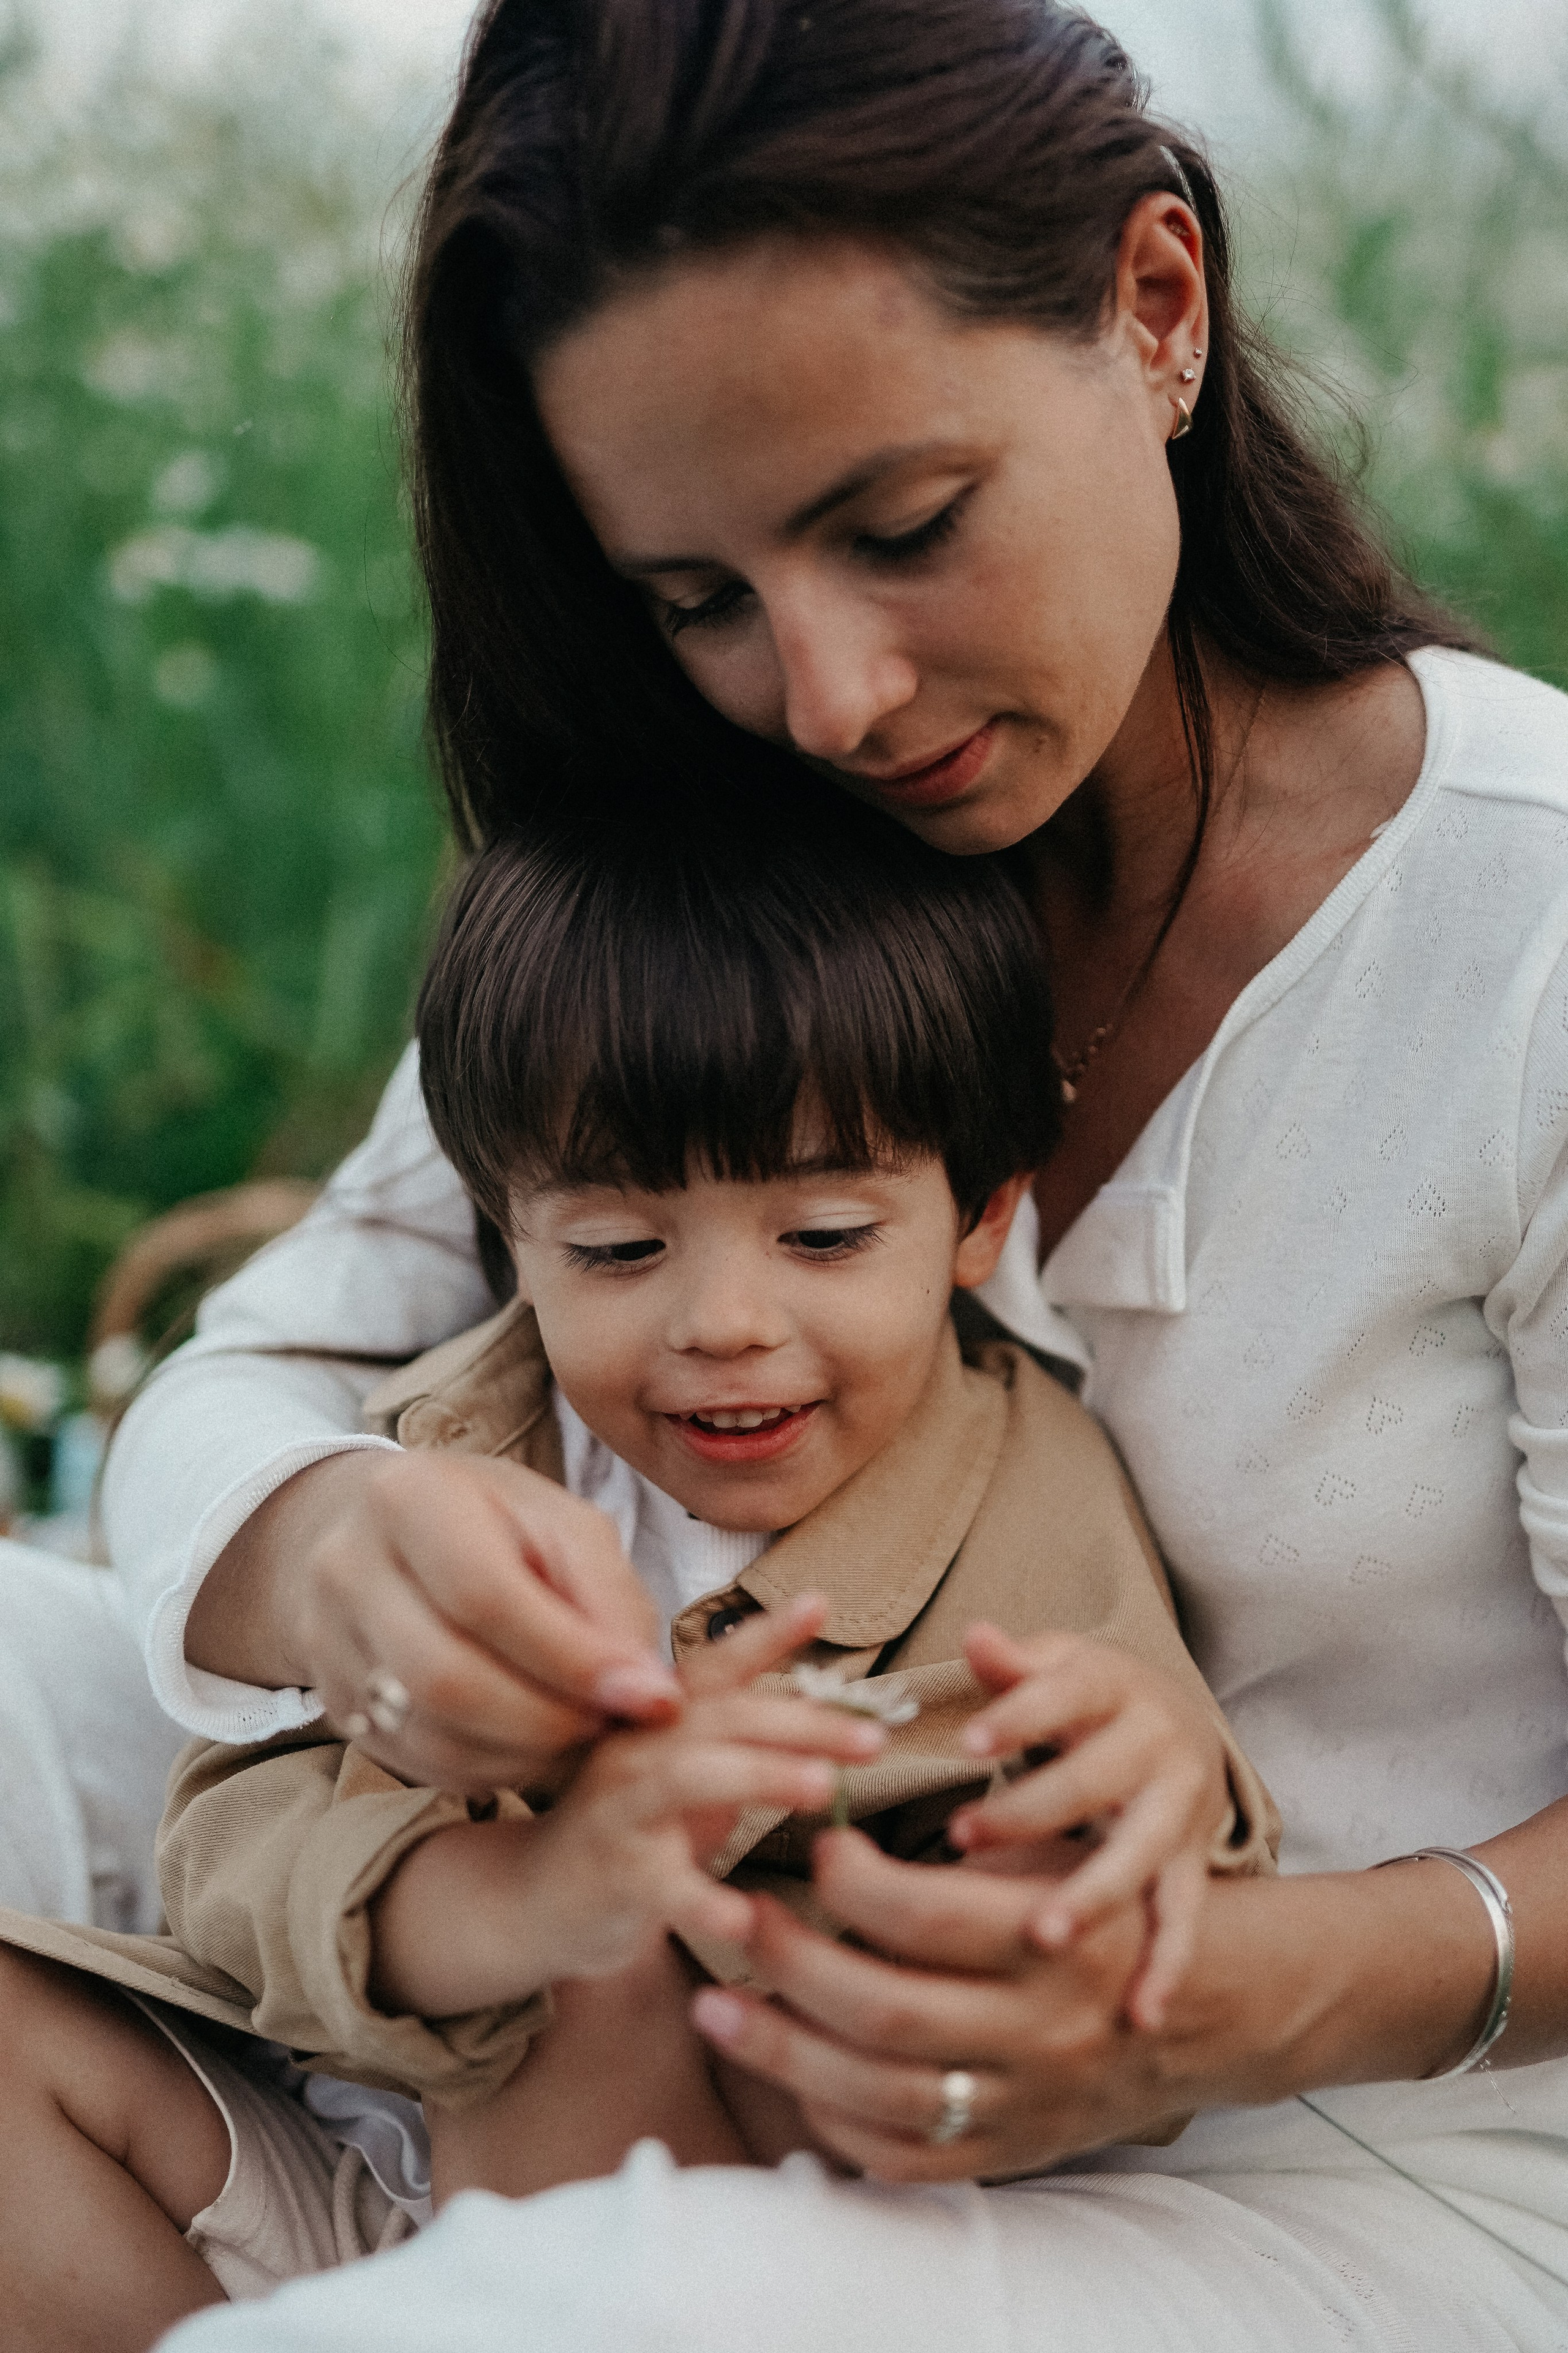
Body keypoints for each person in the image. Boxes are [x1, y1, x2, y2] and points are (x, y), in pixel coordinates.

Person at [76, 0, 1568, 2344]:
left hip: (1359, 2157)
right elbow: (253, 1372)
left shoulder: (1526, 923)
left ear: (1155, 307)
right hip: (615, 2004)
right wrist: (335, 1549)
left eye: (904, 527)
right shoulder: (739, 870)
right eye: (696, 598)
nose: (832, 693)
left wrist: (1226, 1986)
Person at [0, 801, 1276, 2348]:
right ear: (506, 1231)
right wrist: (524, 1892)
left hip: (695, 2233)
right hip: (354, 2149)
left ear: (979, 1213)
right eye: (614, 1249)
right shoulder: (454, 1448)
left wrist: (1116, 1815)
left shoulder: (1020, 1506)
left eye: (823, 1234)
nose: (722, 1322)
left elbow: (1113, 1877)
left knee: (602, 1958)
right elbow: (235, 1851)